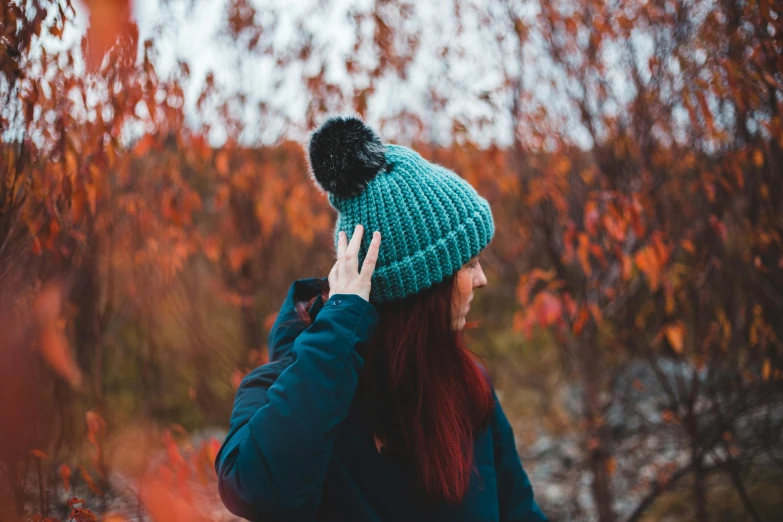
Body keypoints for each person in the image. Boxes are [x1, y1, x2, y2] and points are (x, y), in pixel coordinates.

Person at [215, 116, 547, 521]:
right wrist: (338, 328)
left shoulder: (467, 386)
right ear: (420, 289)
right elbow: (257, 491)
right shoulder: (289, 389)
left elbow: (519, 510)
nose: (482, 279)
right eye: (469, 264)